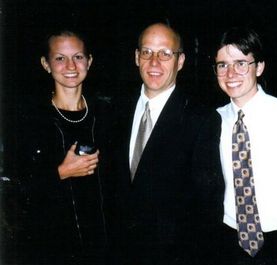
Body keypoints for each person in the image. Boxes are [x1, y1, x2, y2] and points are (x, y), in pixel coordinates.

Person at [108, 22, 224, 265]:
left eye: (165, 53)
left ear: (180, 61)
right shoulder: (115, 110)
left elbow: (207, 209)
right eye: (147, 52)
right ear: (136, 57)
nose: (154, 62)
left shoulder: (201, 119)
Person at [212, 27, 277, 265]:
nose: (231, 73)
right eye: (222, 65)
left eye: (241, 63)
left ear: (259, 67)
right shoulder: (213, 121)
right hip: (227, 239)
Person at [18, 30, 110, 265]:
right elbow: (15, 189)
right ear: (45, 64)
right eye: (59, 58)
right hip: (51, 248)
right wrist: (61, 172)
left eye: (78, 57)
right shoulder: (30, 119)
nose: (70, 65)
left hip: (104, 246)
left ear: (89, 61)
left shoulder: (108, 114)